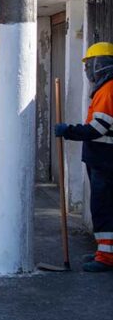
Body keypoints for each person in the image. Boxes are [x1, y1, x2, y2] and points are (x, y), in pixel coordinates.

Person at [55, 42, 113, 273]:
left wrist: (69, 131)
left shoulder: (108, 90)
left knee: (103, 208)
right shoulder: (104, 89)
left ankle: (106, 257)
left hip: (105, 160)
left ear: (100, 65)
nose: (88, 71)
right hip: (102, 158)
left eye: (90, 65)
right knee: (104, 207)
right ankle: (104, 251)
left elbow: (98, 128)